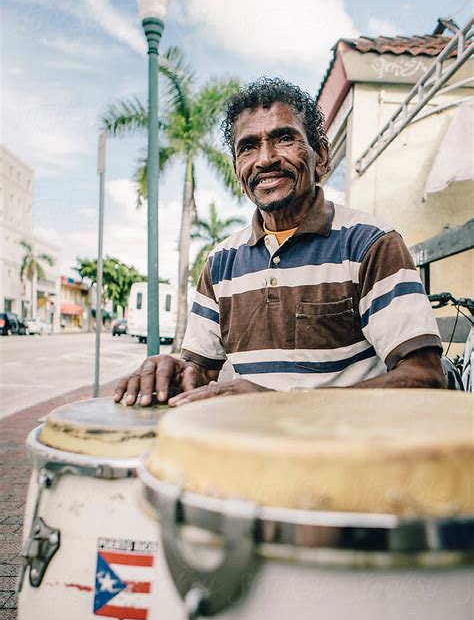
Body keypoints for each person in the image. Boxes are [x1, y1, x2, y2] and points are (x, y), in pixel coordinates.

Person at [114, 77, 444, 408]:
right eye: (248, 147)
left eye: (284, 139)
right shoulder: (221, 263)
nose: (265, 159)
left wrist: (280, 405)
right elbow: (200, 374)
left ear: (322, 158)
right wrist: (175, 371)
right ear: (238, 171)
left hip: (346, 453)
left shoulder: (370, 244)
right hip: (252, 454)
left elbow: (424, 377)